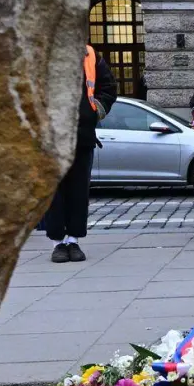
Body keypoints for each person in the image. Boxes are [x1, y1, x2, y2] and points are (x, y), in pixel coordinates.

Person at [46, 44, 118, 262]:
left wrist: (93, 111)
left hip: (82, 135)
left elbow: (108, 87)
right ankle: (58, 243)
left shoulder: (90, 54)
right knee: (54, 194)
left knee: (78, 192)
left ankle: (73, 240)